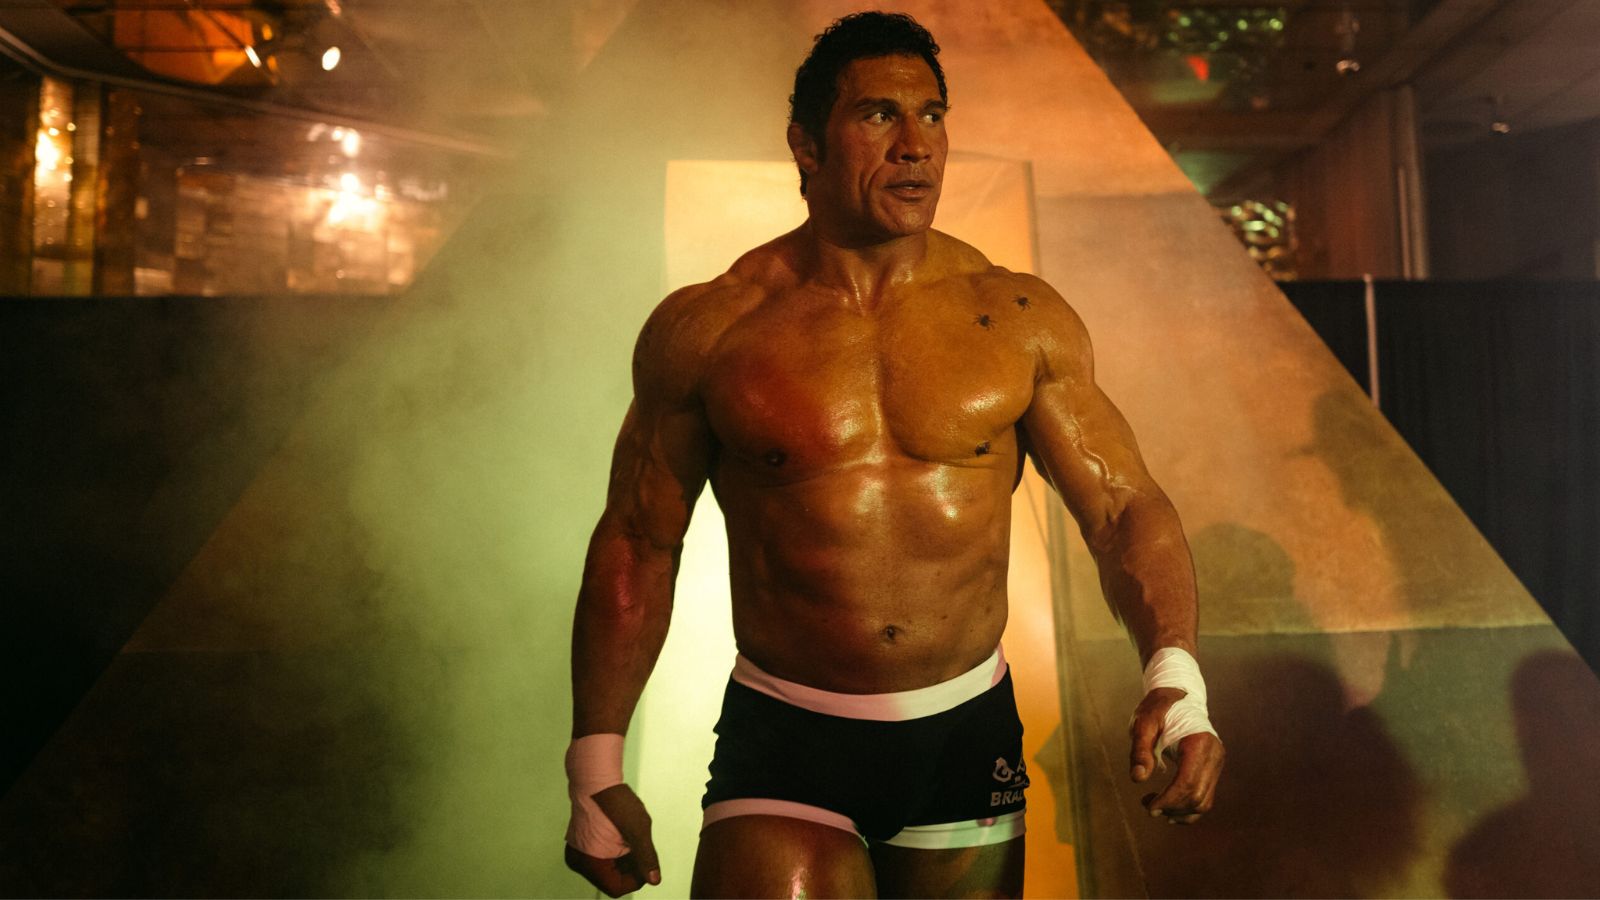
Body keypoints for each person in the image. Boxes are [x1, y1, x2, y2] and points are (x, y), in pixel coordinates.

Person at [564, 11, 1224, 898]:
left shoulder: (1017, 318)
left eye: (932, 115)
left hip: (965, 734)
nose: (916, 145)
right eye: (879, 114)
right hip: (788, 736)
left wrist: (1176, 675)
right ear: (806, 145)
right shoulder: (713, 328)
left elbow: (1122, 508)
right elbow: (640, 539)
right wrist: (595, 759)